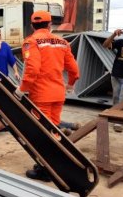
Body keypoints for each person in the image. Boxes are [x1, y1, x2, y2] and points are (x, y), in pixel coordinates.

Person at [16, 10, 80, 182]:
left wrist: (23, 88)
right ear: (50, 24)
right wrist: (71, 84)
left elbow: (33, 68)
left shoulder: (31, 41)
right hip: (58, 93)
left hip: (41, 95)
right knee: (54, 131)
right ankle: (54, 165)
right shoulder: (62, 42)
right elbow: (74, 69)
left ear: (32, 26)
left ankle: (45, 171)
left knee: (42, 133)